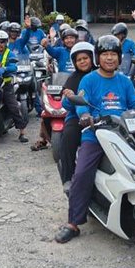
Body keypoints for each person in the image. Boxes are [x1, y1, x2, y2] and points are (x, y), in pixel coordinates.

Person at [54, 35, 135, 243]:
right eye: (105, 54)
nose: (109, 58)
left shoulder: (125, 81)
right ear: (98, 58)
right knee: (82, 172)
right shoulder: (89, 79)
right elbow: (82, 102)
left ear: (119, 58)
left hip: (123, 133)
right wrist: (85, 114)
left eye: (113, 54)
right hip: (96, 134)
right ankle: (73, 222)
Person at [55, 42, 97, 188]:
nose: (82, 62)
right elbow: (65, 105)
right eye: (79, 60)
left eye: (85, 58)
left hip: (100, 114)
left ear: (93, 58)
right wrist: (70, 98)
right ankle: (67, 177)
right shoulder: (72, 78)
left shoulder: (100, 74)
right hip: (77, 117)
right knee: (68, 136)